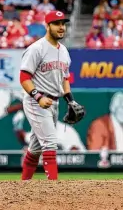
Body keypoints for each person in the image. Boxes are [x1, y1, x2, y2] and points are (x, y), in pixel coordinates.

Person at [19, 10, 83, 180]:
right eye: (57, 24)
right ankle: (53, 188)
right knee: (50, 143)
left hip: (54, 102)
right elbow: (24, 77)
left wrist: (70, 100)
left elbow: (65, 79)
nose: (61, 27)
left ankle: (23, 185)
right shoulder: (36, 49)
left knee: (35, 148)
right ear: (47, 26)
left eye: (63, 24)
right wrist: (38, 97)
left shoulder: (64, 51)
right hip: (36, 101)